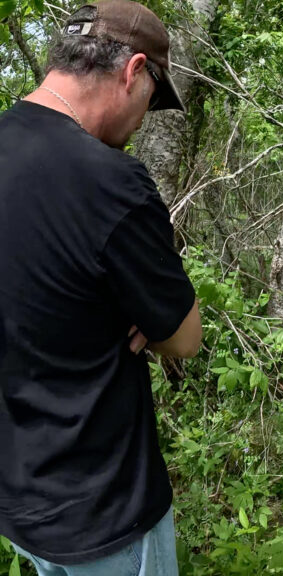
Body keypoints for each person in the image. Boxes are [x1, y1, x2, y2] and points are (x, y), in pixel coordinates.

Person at [0, 1, 201, 574]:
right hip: (105, 514)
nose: (143, 120)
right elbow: (184, 337)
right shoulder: (111, 182)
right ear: (133, 70)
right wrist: (131, 305)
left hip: (18, 503)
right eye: (151, 100)